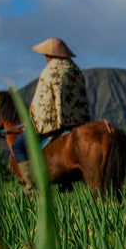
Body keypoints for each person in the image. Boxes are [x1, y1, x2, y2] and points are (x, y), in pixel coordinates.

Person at [13, 38, 91, 189]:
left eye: (45, 55)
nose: (45, 58)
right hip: (77, 122)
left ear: (49, 56)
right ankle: (66, 181)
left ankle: (29, 186)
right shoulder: (76, 70)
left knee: (18, 146)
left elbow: (43, 101)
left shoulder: (49, 72)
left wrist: (33, 118)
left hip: (54, 123)